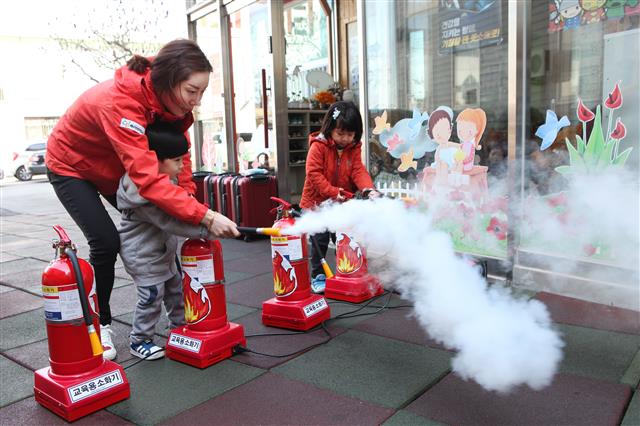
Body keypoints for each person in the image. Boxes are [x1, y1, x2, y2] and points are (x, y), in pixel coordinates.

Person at [45, 39, 239, 360]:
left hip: (116, 166)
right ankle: (102, 323)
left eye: (202, 92)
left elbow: (181, 158)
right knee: (106, 241)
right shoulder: (121, 102)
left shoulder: (170, 101)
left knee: (163, 220)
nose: (197, 101)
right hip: (72, 164)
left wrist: (187, 203)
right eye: (193, 91)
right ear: (169, 81)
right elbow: (147, 181)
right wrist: (204, 216)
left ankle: (176, 312)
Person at [117, 122, 214, 360]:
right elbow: (169, 221)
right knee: (151, 297)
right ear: (156, 161)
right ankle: (140, 339)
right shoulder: (141, 192)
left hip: (163, 251)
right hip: (143, 256)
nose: (182, 166)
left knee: (175, 290)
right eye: (177, 161)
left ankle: (180, 328)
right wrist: (206, 228)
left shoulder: (166, 183)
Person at [299, 101, 380, 293]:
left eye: (350, 134)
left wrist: (368, 189)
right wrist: (333, 192)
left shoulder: (353, 147)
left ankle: (347, 270)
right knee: (319, 240)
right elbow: (313, 174)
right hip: (317, 203)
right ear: (330, 128)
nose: (345, 138)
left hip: (341, 203)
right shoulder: (318, 146)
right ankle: (318, 275)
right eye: (340, 133)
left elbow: (358, 171)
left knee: (344, 238)